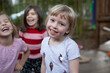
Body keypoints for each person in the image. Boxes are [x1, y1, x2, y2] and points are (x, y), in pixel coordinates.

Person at [40, 4, 80, 73]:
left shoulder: (71, 46)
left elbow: (74, 71)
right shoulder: (44, 42)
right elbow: (44, 64)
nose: (54, 26)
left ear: (68, 29)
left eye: (61, 24)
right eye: (52, 20)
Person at [18, 5, 47, 73]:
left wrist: (46, 59)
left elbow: (46, 47)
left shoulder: (43, 31)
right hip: (25, 58)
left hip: (39, 58)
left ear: (38, 17)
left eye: (33, 14)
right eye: (27, 14)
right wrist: (19, 60)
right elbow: (19, 46)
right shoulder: (22, 30)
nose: (29, 16)